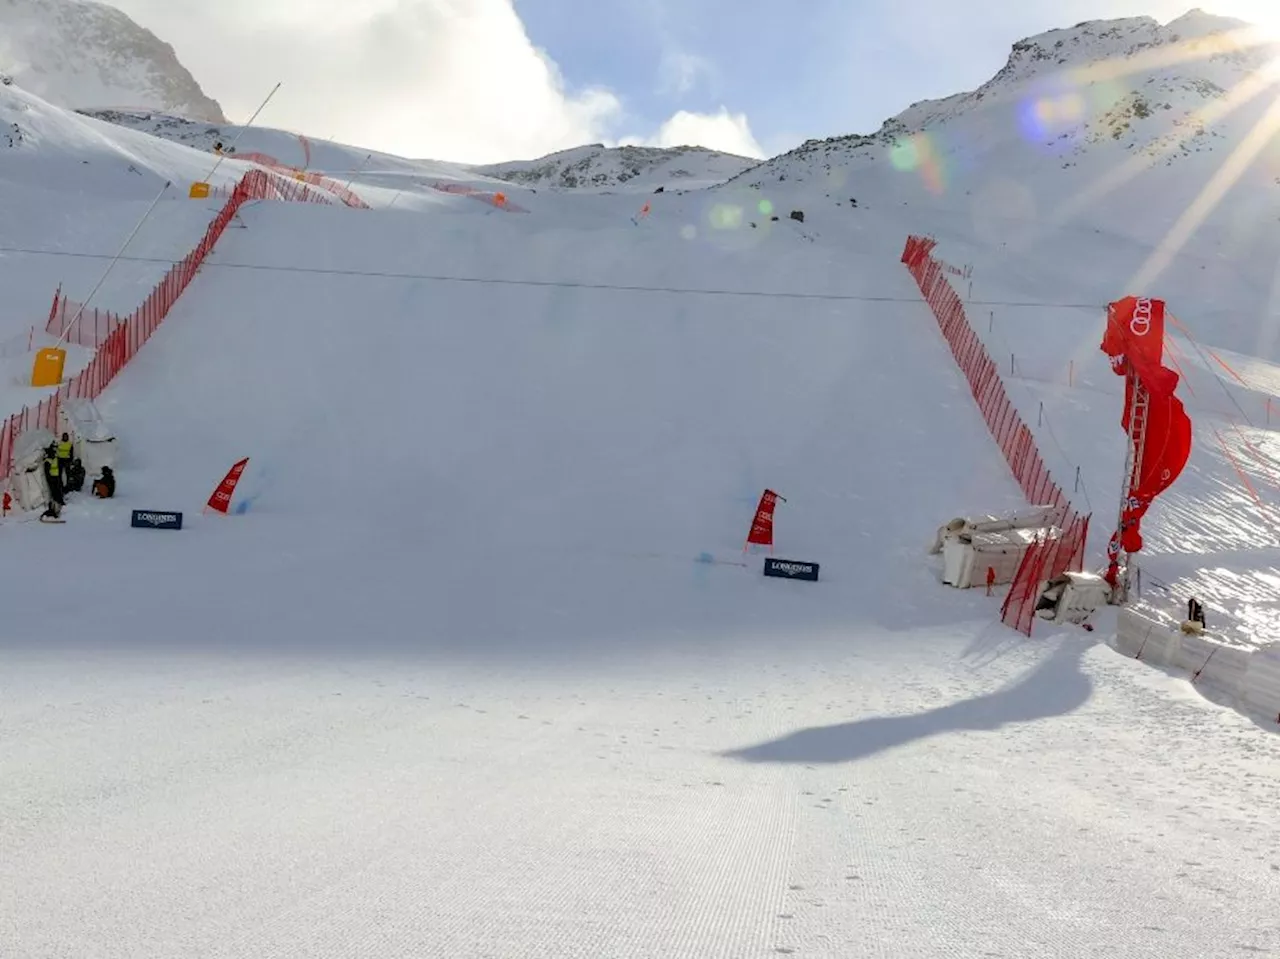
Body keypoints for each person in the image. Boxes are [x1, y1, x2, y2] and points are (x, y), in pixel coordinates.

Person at [43, 445, 64, 509]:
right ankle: (57, 502)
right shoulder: (48, 461)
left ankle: (59, 501)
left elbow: (59, 466)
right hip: (52, 477)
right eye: (54, 452)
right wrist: (49, 478)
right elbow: (47, 471)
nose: (55, 454)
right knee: (55, 491)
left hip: (56, 476)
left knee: (57, 489)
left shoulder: (55, 459)